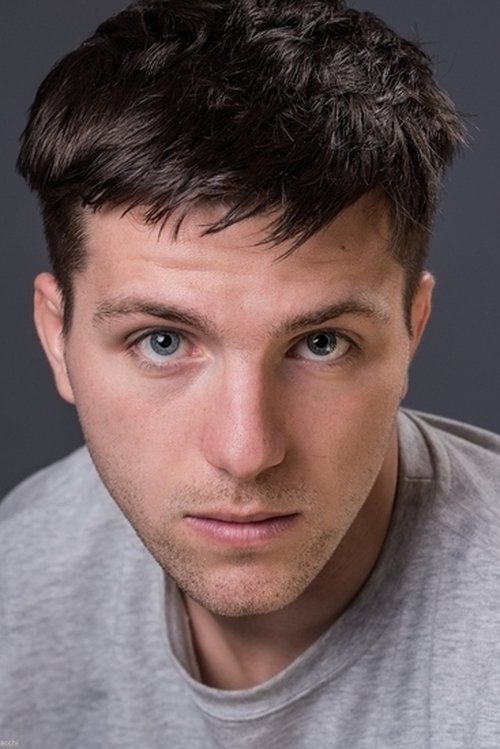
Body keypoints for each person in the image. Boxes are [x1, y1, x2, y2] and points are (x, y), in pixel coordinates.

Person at [1, 0, 499, 746]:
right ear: (56, 338)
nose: (246, 451)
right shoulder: (17, 585)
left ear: (412, 331)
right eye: (162, 341)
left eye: (322, 343)